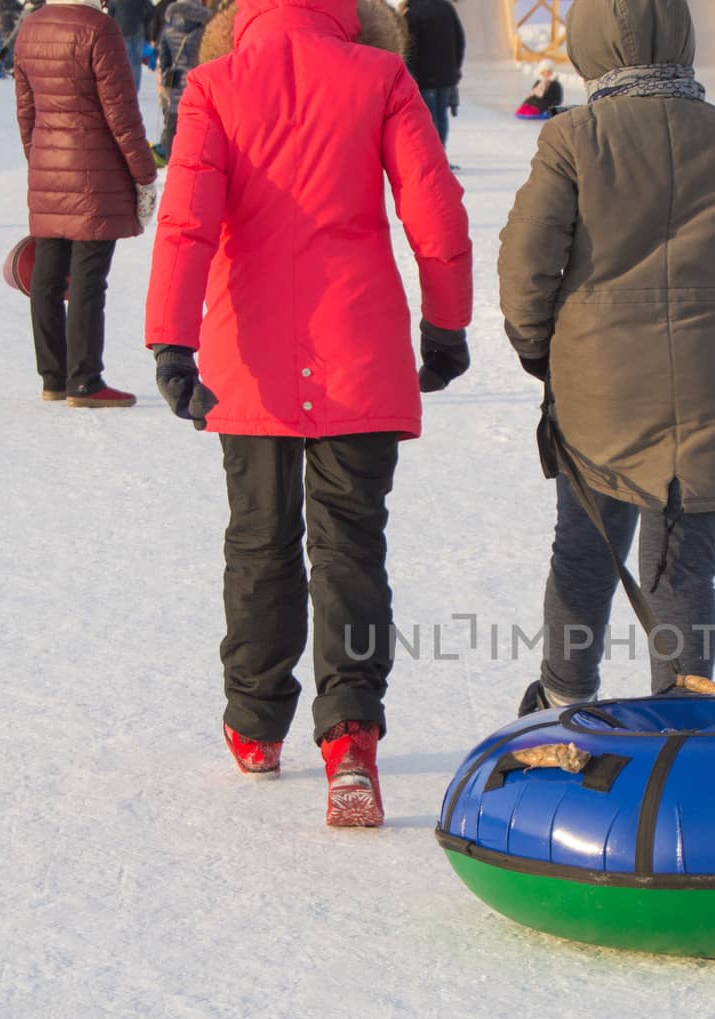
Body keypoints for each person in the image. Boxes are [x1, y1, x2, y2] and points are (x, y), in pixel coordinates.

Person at [145, 0, 471, 827]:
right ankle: (352, 736)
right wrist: (446, 324)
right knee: (351, 541)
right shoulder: (381, 74)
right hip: (357, 346)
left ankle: (255, 724)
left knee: (259, 537)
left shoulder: (214, 83)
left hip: (247, 352)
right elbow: (433, 210)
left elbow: (186, 222)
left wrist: (172, 342)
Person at [498, 0, 715, 714]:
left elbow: (525, 268)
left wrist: (545, 351)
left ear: (591, 43)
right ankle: (685, 715)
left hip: (597, 389)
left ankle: (565, 702)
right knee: (682, 565)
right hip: (709, 390)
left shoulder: (574, 138)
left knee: (586, 548)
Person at [15, 0, 156, 406]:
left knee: (47, 275)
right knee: (88, 278)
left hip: (48, 166)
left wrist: (39, 158)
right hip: (97, 173)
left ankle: (53, 377)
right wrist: (144, 174)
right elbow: (122, 115)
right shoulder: (98, 28)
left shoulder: (31, 26)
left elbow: (26, 110)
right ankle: (85, 380)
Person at [151, 0, 209, 161]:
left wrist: (166, 79)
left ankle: (172, 161)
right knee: (196, 125)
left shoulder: (169, 27)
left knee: (173, 122)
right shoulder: (204, 27)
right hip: (198, 83)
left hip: (176, 82)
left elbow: (164, 59)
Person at [401, 0, 461, 147]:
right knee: (441, 116)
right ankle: (442, 155)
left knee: (429, 118)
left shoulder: (412, 14)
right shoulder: (446, 7)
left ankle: (436, 160)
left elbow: (410, 50)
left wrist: (410, 75)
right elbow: (459, 40)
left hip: (425, 77)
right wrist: (455, 69)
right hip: (446, 75)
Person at [109, 0, 147, 90]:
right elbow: (150, 12)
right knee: (136, 62)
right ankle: (135, 88)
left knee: (122, 60)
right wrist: (144, 24)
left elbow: (110, 15)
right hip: (138, 31)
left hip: (121, 31)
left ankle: (123, 86)